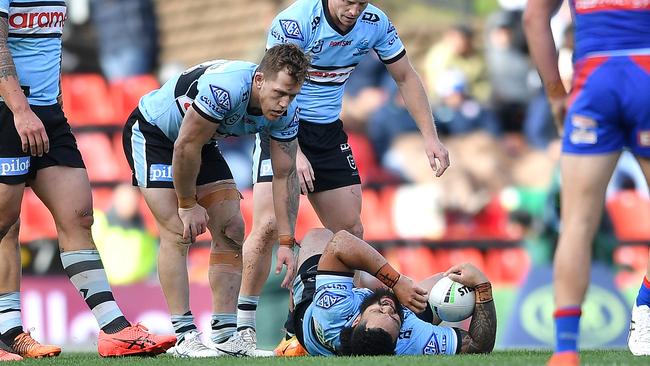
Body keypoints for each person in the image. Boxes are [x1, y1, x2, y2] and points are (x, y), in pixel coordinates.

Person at [231, 0, 451, 354]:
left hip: (328, 134)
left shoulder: (375, 22)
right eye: (348, 1)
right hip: (282, 127)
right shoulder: (295, 24)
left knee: (352, 234)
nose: (354, 10)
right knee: (269, 225)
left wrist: (430, 137)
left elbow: (405, 76)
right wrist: (294, 150)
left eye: (361, 2)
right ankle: (242, 328)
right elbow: (273, 89)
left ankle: (332, 326)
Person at [0, 0, 176, 361]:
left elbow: (50, 47)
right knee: (4, 224)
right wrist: (20, 111)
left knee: (79, 215)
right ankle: (9, 333)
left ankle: (114, 331)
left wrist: (55, 104)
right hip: (8, 112)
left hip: (48, 114)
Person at [122, 43, 309, 357]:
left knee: (232, 229)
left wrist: (287, 241)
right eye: (279, 93)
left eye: (291, 96)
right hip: (155, 134)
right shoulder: (225, 88)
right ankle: (184, 337)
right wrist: (186, 204)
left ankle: (225, 335)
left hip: (201, 141)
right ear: (259, 80)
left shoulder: (286, 111)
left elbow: (283, 175)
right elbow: (184, 146)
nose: (283, 103)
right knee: (176, 231)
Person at [523, 1, 650, 364]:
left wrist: (554, 95)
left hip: (595, 81)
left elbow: (534, 17)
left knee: (577, 223)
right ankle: (646, 303)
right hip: (646, 72)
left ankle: (565, 352)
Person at [284, 228, 496, 356]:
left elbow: (340, 242)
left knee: (318, 235)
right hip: (389, 326)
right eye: (395, 318)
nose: (388, 307)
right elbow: (478, 346)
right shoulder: (409, 341)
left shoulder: (333, 312)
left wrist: (397, 282)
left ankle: (290, 335)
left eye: (378, 312)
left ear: (357, 321)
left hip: (309, 319)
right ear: (398, 340)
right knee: (450, 284)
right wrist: (483, 288)